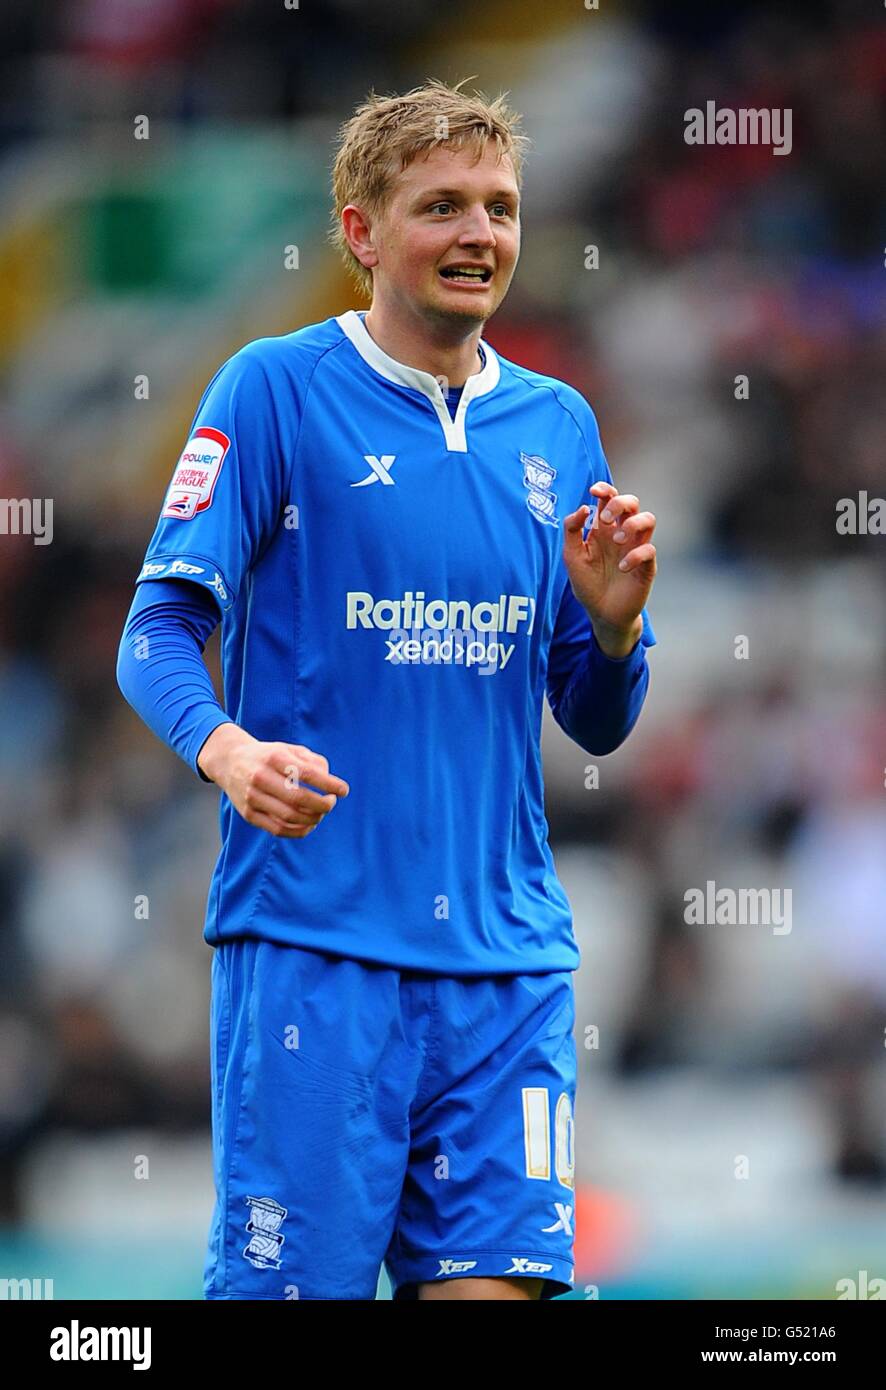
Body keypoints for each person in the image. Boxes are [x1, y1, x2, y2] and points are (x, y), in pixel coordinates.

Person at [116, 77, 659, 1301]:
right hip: (317, 946)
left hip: (509, 963)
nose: (480, 234)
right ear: (361, 231)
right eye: (442, 206)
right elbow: (156, 629)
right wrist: (228, 751)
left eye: (501, 208)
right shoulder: (272, 389)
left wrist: (616, 633)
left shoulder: (557, 425)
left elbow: (596, 717)